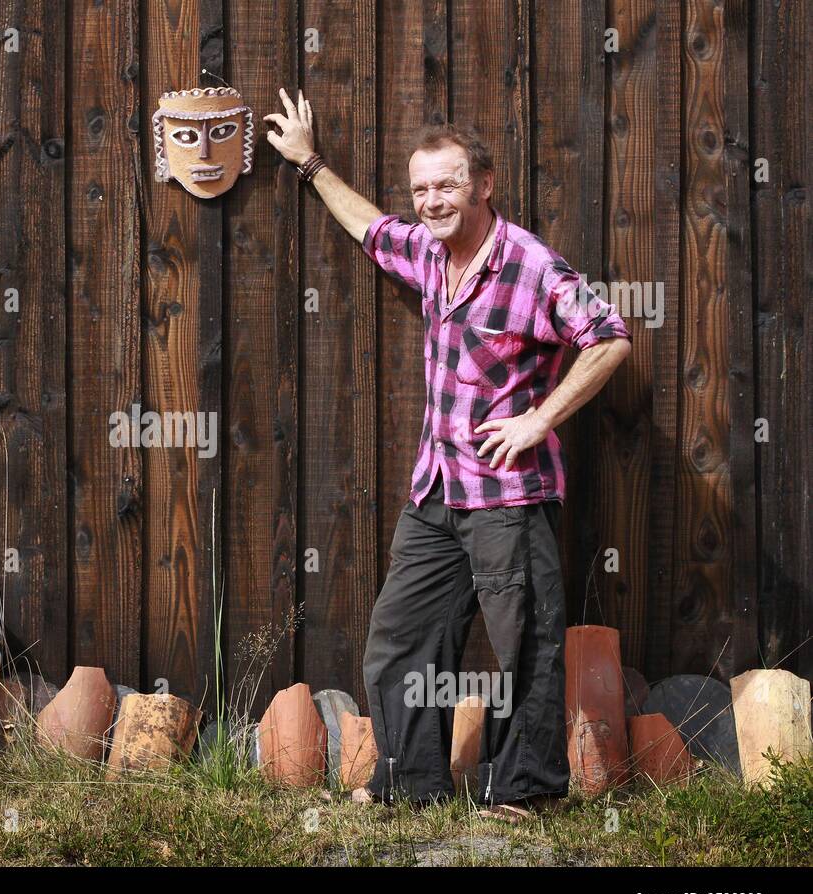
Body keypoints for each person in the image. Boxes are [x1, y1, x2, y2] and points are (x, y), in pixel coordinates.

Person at [264, 90, 631, 821]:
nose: (432, 201)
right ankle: (413, 779)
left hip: (508, 495)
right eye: (423, 188)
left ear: (484, 185)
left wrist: (539, 418)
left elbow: (611, 336)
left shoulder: (527, 265)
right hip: (437, 492)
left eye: (448, 185)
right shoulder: (431, 255)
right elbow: (371, 228)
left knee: (523, 644)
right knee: (398, 639)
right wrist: (310, 164)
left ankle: (523, 789)